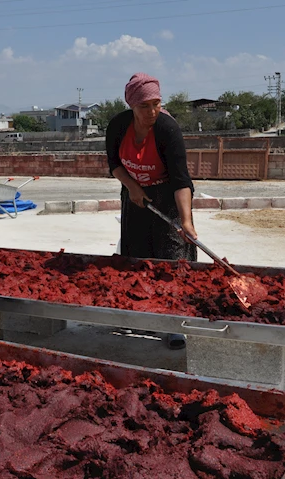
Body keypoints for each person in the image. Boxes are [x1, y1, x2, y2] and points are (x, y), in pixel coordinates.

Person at [106, 73, 198, 350]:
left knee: (172, 256)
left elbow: (182, 180)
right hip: (135, 193)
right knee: (136, 254)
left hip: (167, 193)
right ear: (132, 106)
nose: (152, 111)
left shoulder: (168, 129)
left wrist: (186, 221)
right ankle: (139, 314)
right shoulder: (119, 126)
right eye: (145, 106)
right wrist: (132, 188)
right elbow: (114, 164)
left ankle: (175, 325)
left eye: (157, 104)